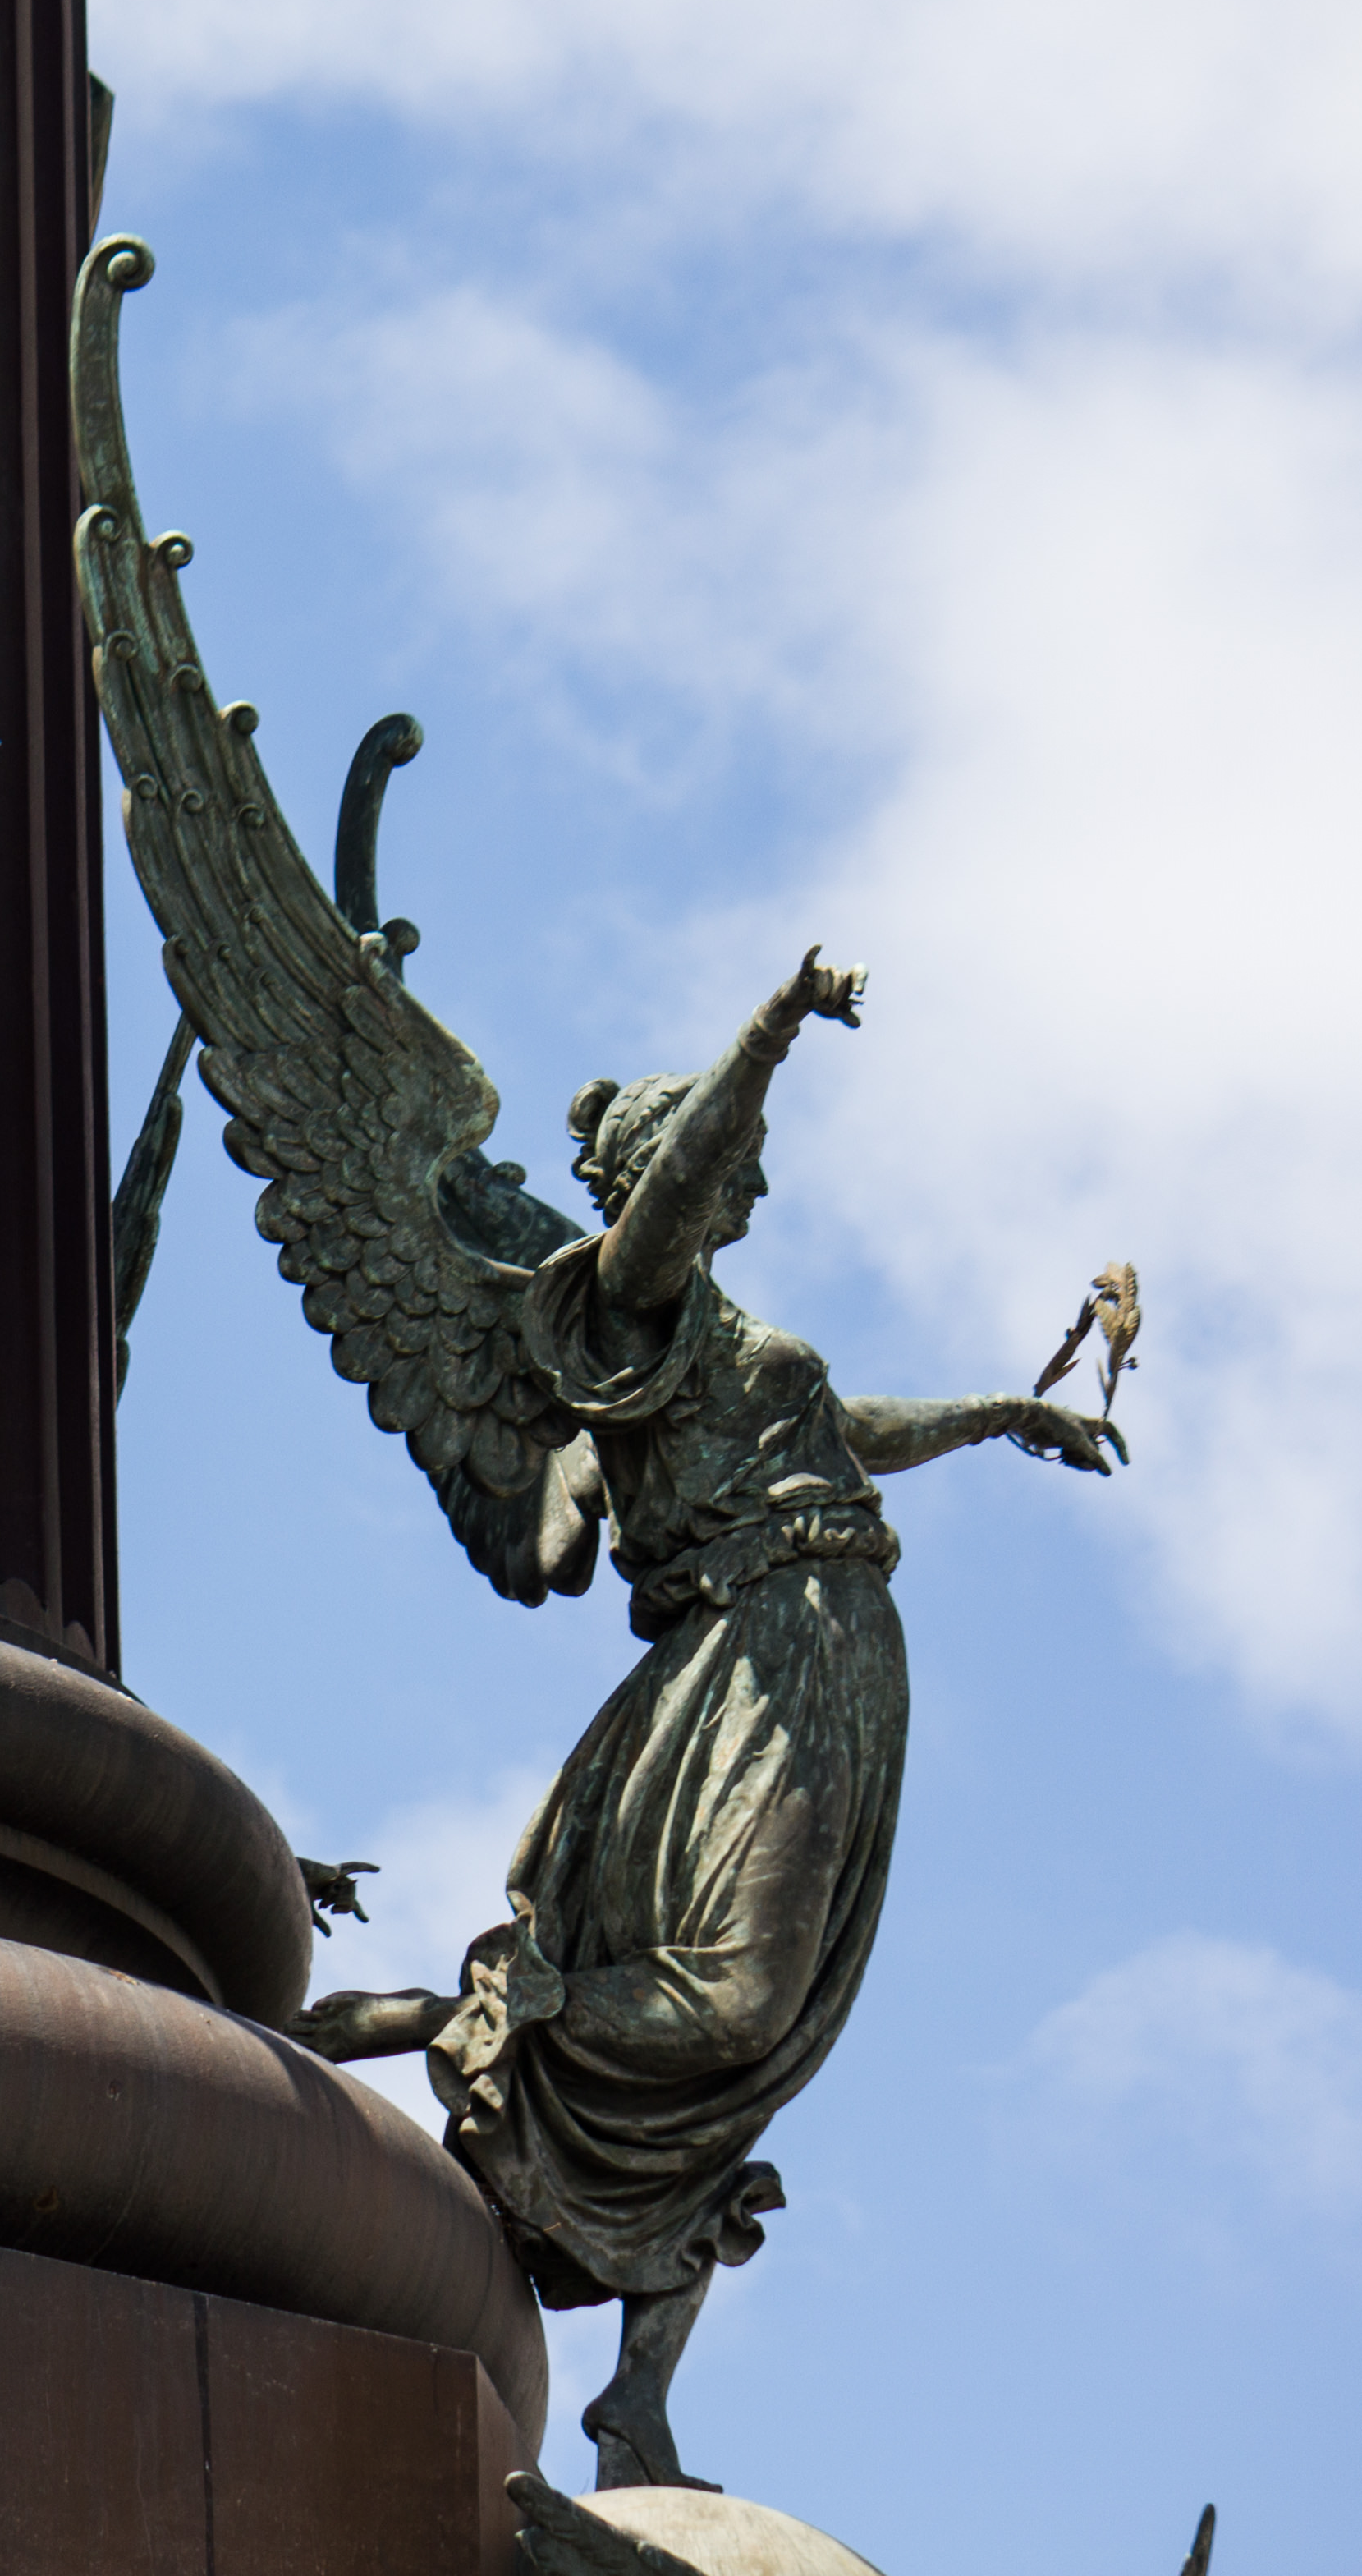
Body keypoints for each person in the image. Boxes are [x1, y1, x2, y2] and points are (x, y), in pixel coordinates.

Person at [291, 949, 1122, 2488]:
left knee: (759, 2035)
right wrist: (775, 1029)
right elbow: (675, 1187)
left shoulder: (729, 1351)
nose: (754, 1181)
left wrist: (1005, 1416)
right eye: (735, 1154)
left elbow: (841, 1427)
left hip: (832, 1649)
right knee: (739, 2005)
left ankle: (637, 2402)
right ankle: (467, 2015)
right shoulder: (627, 1297)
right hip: (755, 1658)